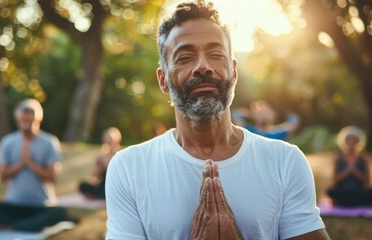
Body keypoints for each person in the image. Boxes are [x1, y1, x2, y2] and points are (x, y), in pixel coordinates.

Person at [105, 1, 330, 239]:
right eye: (184, 57)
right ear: (163, 80)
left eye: (215, 55)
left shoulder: (285, 162)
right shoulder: (128, 168)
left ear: (233, 71)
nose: (203, 67)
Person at [0, 99, 75, 232]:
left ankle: (11, 225)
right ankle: (27, 225)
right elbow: (3, 177)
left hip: (41, 206)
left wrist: (30, 163)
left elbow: (52, 178)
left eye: (29, 120)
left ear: (38, 120)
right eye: (23, 120)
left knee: (60, 212)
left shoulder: (49, 142)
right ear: (17, 120)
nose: (26, 124)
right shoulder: (8, 142)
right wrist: (21, 163)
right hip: (13, 205)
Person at [327, 126, 372, 207]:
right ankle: (351, 202)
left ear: (358, 141)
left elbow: (367, 181)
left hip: (359, 192)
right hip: (343, 192)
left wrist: (355, 171)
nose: (351, 142)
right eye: (349, 139)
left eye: (354, 139)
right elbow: (335, 180)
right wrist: (348, 170)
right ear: (344, 141)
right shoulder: (338, 158)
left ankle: (347, 203)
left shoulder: (363, 159)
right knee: (330, 191)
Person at [78, 127, 121, 200]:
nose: (108, 142)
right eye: (106, 140)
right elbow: (96, 176)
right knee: (82, 185)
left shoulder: (120, 155)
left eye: (110, 140)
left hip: (115, 188)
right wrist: (99, 164)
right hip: (103, 187)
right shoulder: (103, 156)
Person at [232, 100, 300, 140]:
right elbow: (236, 115)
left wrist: (281, 115)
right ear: (254, 115)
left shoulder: (278, 133)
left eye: (266, 113)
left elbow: (295, 120)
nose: (263, 115)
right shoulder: (248, 131)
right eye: (260, 113)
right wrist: (250, 114)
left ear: (273, 115)